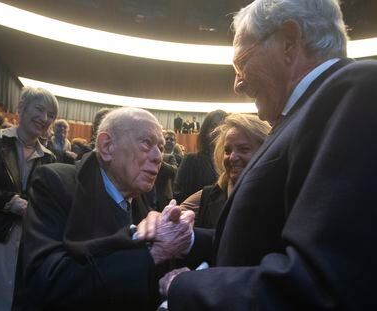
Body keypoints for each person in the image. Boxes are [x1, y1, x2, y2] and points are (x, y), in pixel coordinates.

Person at [139, 0, 377, 309]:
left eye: (241, 64)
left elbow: (323, 283)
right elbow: (263, 243)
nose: (237, 84)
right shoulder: (303, 114)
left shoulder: (357, 92)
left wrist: (183, 285)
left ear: (289, 41)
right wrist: (189, 239)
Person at [12, 107, 194, 310]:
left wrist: (168, 280)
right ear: (107, 146)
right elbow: (47, 283)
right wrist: (152, 255)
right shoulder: (55, 183)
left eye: (160, 147)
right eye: (146, 143)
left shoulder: (144, 198)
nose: (159, 156)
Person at [0, 87, 58, 310]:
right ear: (22, 108)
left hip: (25, 245)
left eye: (51, 115)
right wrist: (8, 201)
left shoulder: (50, 157)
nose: (45, 118)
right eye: (39, 109)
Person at [181, 113, 270, 228]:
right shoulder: (207, 196)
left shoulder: (283, 195)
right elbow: (171, 223)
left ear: (267, 151)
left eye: (244, 149)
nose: (232, 157)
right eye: (227, 151)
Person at [173, 109, 228, 203]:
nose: (218, 130)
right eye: (213, 126)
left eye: (223, 126)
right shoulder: (191, 160)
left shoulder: (233, 161)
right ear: (205, 132)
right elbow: (181, 197)